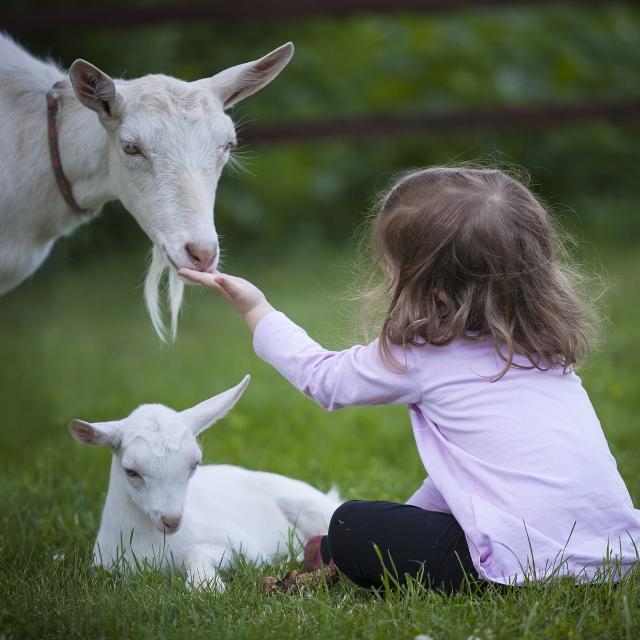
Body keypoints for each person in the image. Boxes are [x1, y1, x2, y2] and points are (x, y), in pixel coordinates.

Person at [179, 167, 640, 592]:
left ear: (433, 293)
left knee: (352, 526)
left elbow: (323, 379)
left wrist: (256, 309)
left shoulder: (425, 356)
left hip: (520, 564)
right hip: (612, 552)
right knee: (387, 524)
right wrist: (411, 518)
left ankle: (339, 554)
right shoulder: (547, 353)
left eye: (393, 271)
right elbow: (468, 477)